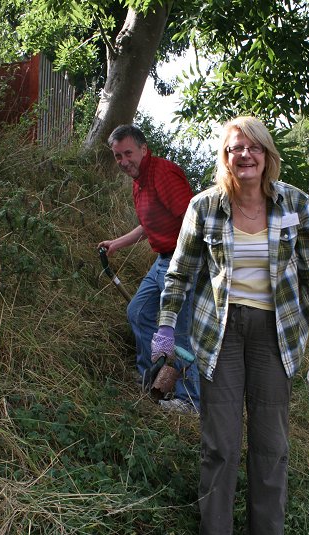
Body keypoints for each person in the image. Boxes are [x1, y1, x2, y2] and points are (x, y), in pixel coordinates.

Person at [150, 116, 309, 535]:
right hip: (221, 334)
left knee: (271, 443)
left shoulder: (295, 203)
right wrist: (165, 326)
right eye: (236, 148)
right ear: (225, 157)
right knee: (220, 442)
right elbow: (179, 273)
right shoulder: (205, 207)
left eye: (253, 147)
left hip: (276, 335)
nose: (245, 155)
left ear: (267, 154)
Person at [98, 124, 199, 413]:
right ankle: (150, 377)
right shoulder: (139, 182)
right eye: (118, 156)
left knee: (181, 331)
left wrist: (184, 266)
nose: (123, 161)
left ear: (143, 149)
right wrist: (117, 243)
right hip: (162, 261)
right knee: (138, 312)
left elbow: (191, 221)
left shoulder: (163, 173)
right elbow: (148, 224)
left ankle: (188, 398)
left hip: (183, 261)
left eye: (128, 153)